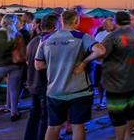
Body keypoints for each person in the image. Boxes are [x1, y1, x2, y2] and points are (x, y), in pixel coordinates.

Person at [35, 10, 106, 140]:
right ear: (76, 21)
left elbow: (38, 65)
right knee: (77, 125)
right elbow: (100, 50)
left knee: (53, 126)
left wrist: (56, 64)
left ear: (61, 21)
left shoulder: (47, 39)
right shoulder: (81, 36)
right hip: (79, 90)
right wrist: (84, 63)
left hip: (55, 90)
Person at [100, 11, 134, 140]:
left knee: (118, 117)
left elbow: (101, 54)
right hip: (133, 82)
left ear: (115, 21)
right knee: (131, 114)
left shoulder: (112, 37)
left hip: (115, 84)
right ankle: (127, 136)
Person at [24, 14, 58, 140]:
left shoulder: (33, 41)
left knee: (34, 114)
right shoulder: (50, 42)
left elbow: (27, 61)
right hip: (45, 84)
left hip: (33, 82)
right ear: (55, 26)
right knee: (45, 117)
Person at [94, 16, 116, 110]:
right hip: (100, 64)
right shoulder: (99, 34)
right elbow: (94, 48)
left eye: (108, 23)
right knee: (100, 83)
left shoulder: (118, 35)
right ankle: (101, 101)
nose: (105, 25)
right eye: (105, 24)